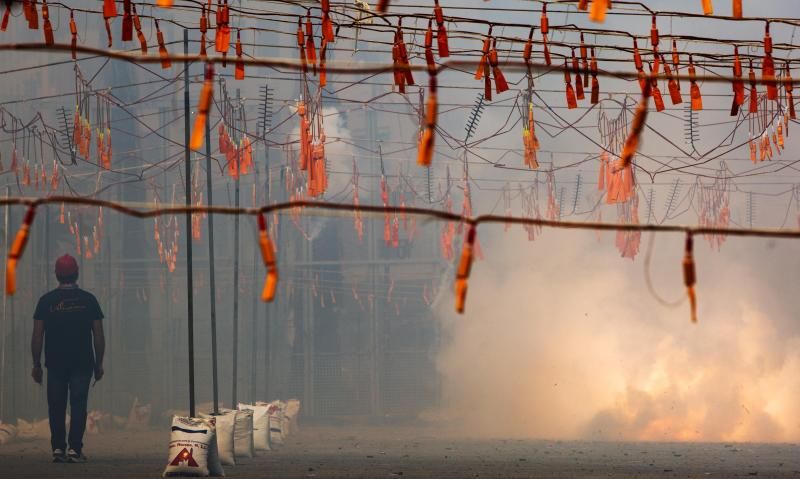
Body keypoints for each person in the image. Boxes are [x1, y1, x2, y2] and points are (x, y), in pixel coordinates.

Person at [30, 254, 105, 463]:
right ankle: (74, 449)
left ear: (56, 275)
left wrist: (36, 365)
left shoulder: (46, 302)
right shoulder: (89, 301)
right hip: (82, 363)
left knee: (56, 405)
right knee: (79, 404)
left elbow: (37, 335)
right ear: (77, 273)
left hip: (55, 363)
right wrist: (99, 363)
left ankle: (58, 449)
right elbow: (98, 335)